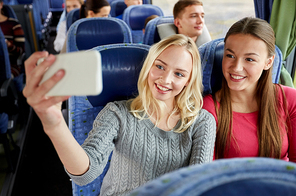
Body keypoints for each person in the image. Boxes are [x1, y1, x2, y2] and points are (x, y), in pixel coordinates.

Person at [23, 34, 216, 195]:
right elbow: (85, 175)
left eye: (179, 74)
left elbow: (198, 186)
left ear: (188, 81)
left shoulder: (202, 122)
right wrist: (55, 124)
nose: (165, 79)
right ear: (148, 66)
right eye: (160, 66)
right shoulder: (118, 113)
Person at [202, 17, 296, 162]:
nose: (236, 67)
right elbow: (207, 172)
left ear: (268, 62)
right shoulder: (208, 109)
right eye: (230, 56)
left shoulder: (289, 99)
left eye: (249, 59)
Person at [0, 0, 25, 77]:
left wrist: (8, 45)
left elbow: (21, 51)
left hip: (10, 65)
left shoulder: (14, 24)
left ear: (1, 5)